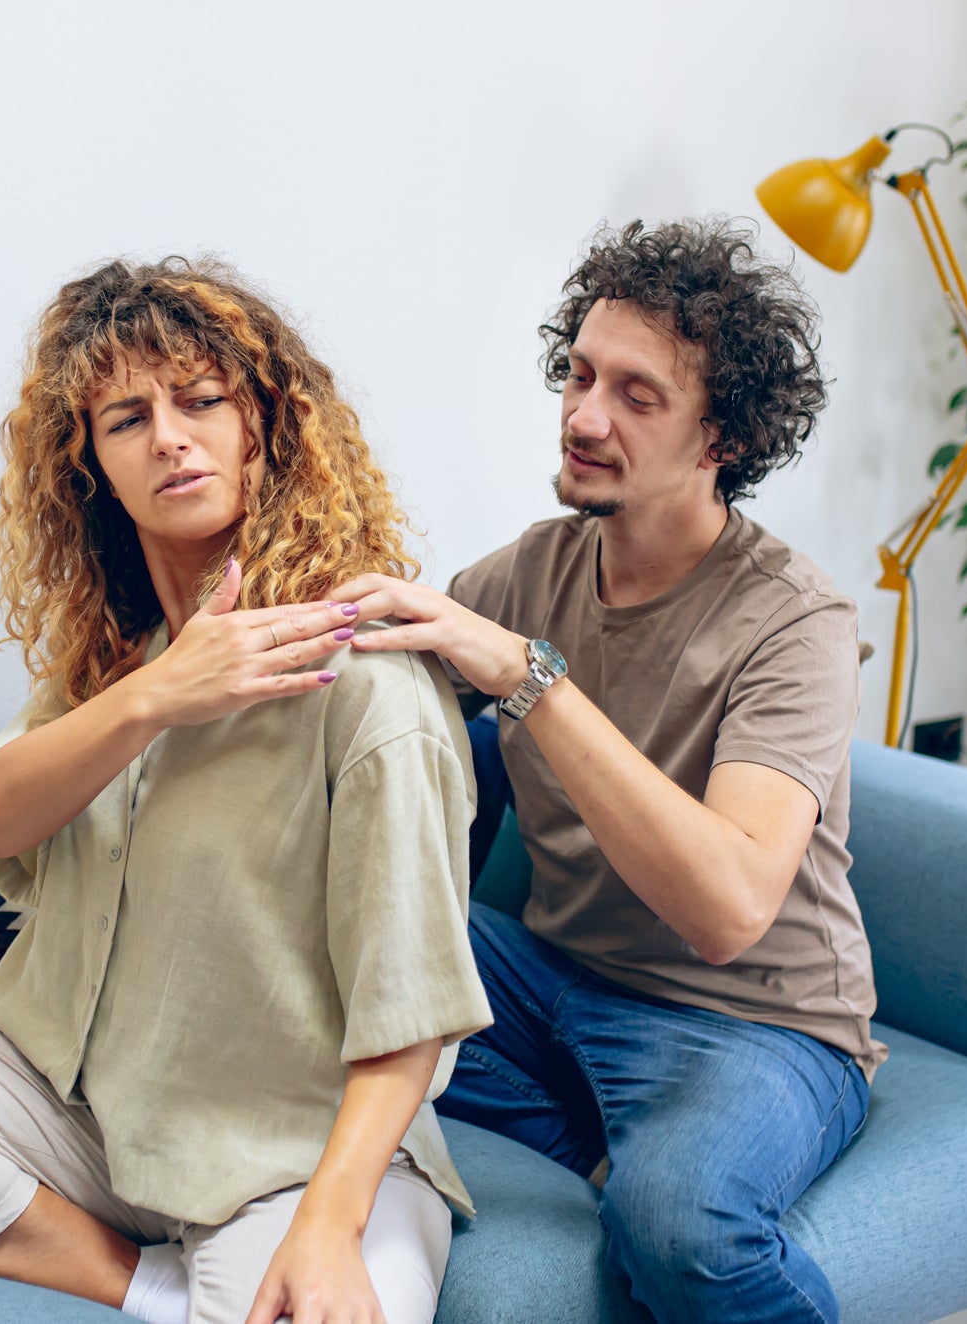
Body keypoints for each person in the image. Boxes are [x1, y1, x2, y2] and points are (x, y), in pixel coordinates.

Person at [0, 258, 492, 1324]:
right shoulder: (114, 668)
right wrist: (156, 696)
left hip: (284, 1151)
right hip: (66, 1108)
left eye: (202, 399)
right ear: (95, 472)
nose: (169, 435)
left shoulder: (368, 684)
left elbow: (414, 1011)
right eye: (127, 418)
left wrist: (327, 1223)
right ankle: (139, 1283)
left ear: (266, 427)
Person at [329, 219, 884, 1324]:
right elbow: (366, 701)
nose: (585, 416)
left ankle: (634, 1156)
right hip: (551, 979)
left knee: (681, 1229)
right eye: (580, 374)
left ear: (718, 435)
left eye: (637, 395)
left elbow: (727, 908)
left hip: (753, 1019)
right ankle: (597, 1138)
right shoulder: (536, 566)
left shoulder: (793, 621)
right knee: (315, 947)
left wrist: (527, 678)